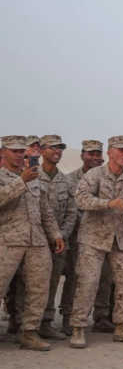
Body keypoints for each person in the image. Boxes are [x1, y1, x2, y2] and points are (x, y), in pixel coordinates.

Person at [70, 136, 123, 349]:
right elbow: (81, 199)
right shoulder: (95, 174)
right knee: (88, 283)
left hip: (120, 239)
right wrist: (107, 203)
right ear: (110, 153)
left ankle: (122, 327)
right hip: (93, 238)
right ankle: (78, 328)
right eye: (121, 150)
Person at [0, 135, 65, 351]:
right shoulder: (5, 176)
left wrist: (55, 233)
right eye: (14, 151)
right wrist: (21, 182)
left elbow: (45, 210)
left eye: (22, 151)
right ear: (3, 152)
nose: (19, 155)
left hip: (36, 241)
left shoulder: (35, 177)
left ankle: (29, 333)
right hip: (7, 241)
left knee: (38, 288)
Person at [60, 140, 114, 335]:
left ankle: (101, 317)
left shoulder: (109, 178)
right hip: (78, 236)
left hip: (105, 236)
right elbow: (70, 208)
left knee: (106, 276)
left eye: (98, 154)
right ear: (82, 155)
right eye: (91, 154)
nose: (95, 158)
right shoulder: (70, 179)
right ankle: (68, 317)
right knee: (77, 278)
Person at [36, 135, 78, 340]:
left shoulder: (67, 182)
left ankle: (45, 324)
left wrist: (62, 235)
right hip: (34, 242)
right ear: (41, 151)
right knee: (30, 284)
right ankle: (21, 324)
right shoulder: (30, 177)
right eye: (52, 147)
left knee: (52, 284)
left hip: (59, 244)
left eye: (60, 148)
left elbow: (72, 212)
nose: (57, 151)